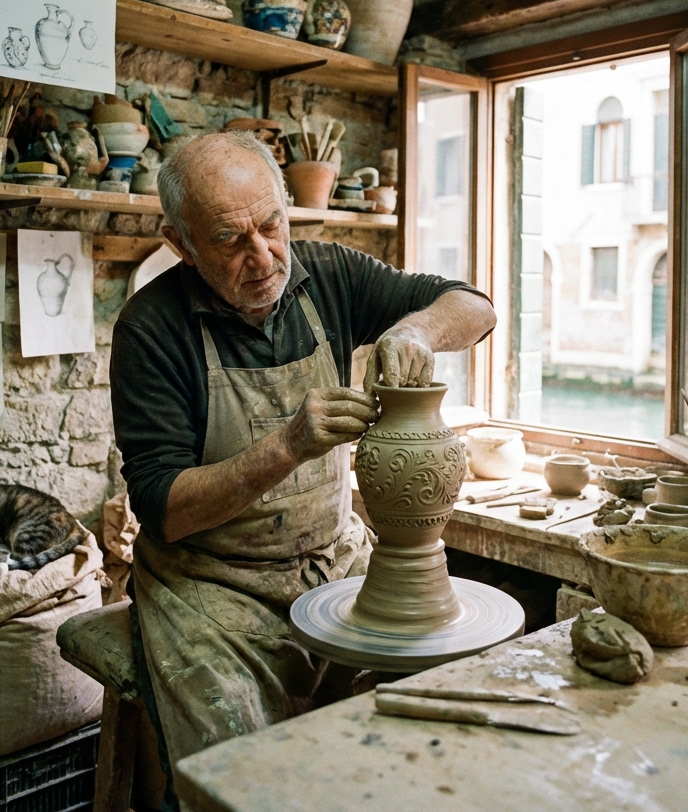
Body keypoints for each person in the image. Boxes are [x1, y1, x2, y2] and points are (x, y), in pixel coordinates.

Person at [109, 131, 495, 793]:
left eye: (271, 225)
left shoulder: (330, 276)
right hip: (212, 585)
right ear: (182, 244)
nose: (263, 257)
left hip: (335, 559)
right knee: (241, 774)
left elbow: (476, 307)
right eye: (230, 240)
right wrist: (286, 447)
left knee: (435, 715)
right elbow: (164, 510)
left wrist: (415, 329)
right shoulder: (151, 328)